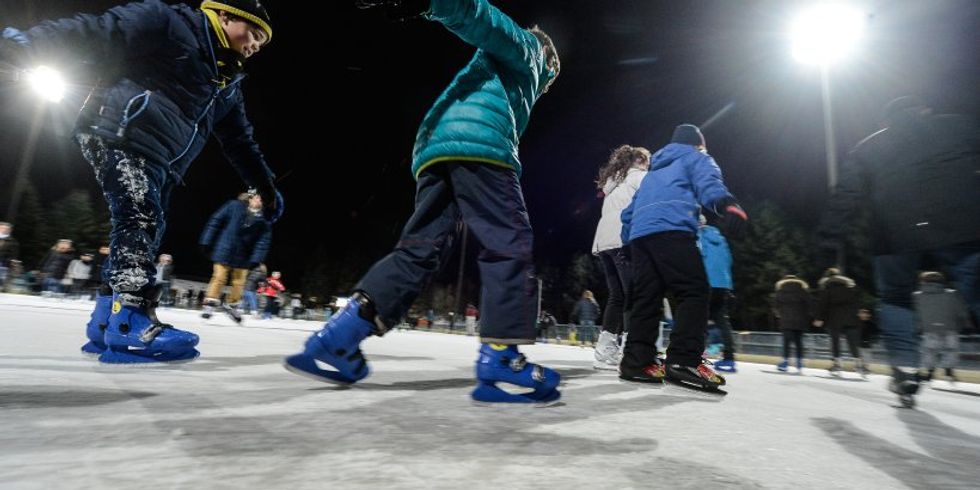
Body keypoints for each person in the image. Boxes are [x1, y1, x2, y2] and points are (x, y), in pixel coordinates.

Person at [285, 0, 562, 405]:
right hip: (481, 147)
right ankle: (502, 357)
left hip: (435, 149)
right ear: (549, 64)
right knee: (509, 241)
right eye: (551, 79)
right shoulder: (528, 52)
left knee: (419, 249)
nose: (546, 87)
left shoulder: (493, 73)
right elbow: (481, 18)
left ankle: (339, 338)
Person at [1, 0, 283, 363]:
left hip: (162, 160)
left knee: (143, 226)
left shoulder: (226, 83)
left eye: (263, 41)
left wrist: (267, 188)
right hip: (120, 131)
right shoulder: (172, 24)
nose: (256, 44)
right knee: (139, 219)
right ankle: (129, 322)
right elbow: (101, 30)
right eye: (254, 32)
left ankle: (105, 322)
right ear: (225, 14)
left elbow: (240, 142)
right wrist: (29, 43)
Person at [819, 96, 980, 406]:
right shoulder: (956, 124)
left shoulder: (869, 147)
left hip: (896, 234)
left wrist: (828, 237)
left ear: (885, 123)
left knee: (895, 299)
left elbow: (847, 195)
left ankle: (904, 370)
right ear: (925, 109)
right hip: (962, 226)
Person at [618, 124, 747, 391]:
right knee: (694, 291)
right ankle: (684, 360)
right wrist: (727, 204)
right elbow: (708, 183)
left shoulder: (651, 174)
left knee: (647, 298)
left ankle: (636, 361)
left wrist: (628, 243)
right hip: (673, 229)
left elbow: (628, 214)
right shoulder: (696, 157)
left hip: (641, 238)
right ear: (698, 144)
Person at [590, 145, 649, 370]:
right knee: (633, 293)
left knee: (617, 295)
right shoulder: (641, 178)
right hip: (623, 239)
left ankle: (605, 350)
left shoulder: (616, 181)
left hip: (603, 241)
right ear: (642, 161)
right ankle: (631, 348)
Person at [199, 190, 272, 323]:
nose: (259, 200)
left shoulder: (264, 220)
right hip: (225, 248)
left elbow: (263, 241)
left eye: (261, 200)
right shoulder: (234, 206)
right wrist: (206, 240)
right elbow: (215, 220)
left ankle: (232, 305)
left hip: (244, 255)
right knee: (219, 277)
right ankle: (210, 304)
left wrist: (257, 259)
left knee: (239, 282)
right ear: (250, 198)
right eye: (257, 197)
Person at [698, 214, 738, 372]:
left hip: (706, 281)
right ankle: (729, 358)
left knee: (698, 318)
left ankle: (695, 356)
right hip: (723, 284)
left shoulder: (698, 236)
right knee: (722, 320)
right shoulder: (720, 238)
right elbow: (729, 260)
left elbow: (698, 256)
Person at [914, 272, 970, 383]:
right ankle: (948, 369)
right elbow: (961, 311)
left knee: (929, 351)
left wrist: (918, 326)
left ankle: (930, 372)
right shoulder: (951, 294)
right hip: (949, 327)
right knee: (951, 350)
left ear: (923, 281)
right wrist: (966, 323)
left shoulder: (917, 295)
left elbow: (916, 313)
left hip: (929, 329)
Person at [813, 268, 868, 376]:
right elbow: (857, 303)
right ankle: (859, 365)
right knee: (853, 344)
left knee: (835, 342)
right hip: (851, 319)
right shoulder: (850, 289)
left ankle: (837, 365)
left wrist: (819, 318)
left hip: (834, 320)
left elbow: (822, 305)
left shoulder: (827, 290)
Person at [772, 275, 812, 373]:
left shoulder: (780, 292)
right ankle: (799, 363)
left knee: (786, 342)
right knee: (799, 342)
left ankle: (785, 362)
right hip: (800, 321)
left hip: (786, 320)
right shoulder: (803, 291)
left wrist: (779, 314)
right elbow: (809, 304)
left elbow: (775, 306)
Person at [0, 222, 19, 291]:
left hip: (2, 264)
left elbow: (14, 255)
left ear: (9, 230)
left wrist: (9, 261)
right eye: (2, 228)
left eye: (6, 229)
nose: (4, 230)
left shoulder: (12, 242)